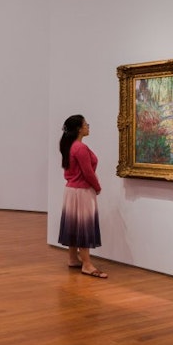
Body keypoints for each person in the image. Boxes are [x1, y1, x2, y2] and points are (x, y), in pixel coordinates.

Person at [58, 114, 107, 278]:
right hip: (82, 192)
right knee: (84, 226)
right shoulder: (80, 148)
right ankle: (87, 264)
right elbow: (88, 172)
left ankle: (73, 258)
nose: (88, 126)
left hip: (71, 191)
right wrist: (97, 187)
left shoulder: (70, 146)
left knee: (73, 224)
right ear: (79, 128)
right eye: (86, 124)